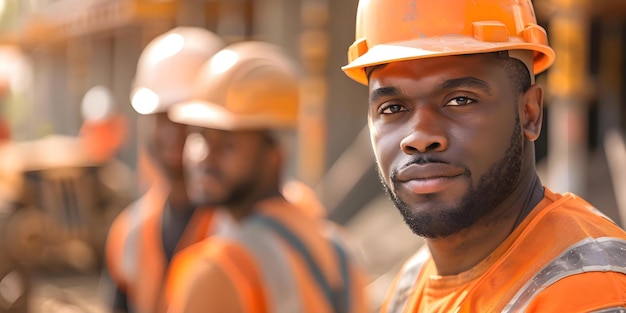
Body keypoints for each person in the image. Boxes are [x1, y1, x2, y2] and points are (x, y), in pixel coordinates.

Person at [341, 0, 626, 312]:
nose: (419, 137)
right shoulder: (412, 285)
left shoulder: (589, 291)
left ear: (529, 113)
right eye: (392, 108)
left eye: (460, 100)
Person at [164, 41, 368, 313]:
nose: (204, 157)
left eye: (226, 143)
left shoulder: (216, 270)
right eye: (199, 135)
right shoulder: (338, 251)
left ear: (275, 152)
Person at [103, 27, 227, 313]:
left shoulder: (246, 223)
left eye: (184, 116)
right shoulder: (130, 231)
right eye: (161, 117)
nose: (172, 132)